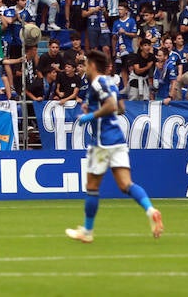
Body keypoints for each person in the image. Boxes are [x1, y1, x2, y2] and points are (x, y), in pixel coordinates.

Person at [65, 50, 163, 243]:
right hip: (118, 140)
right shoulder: (110, 83)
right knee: (126, 184)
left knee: (92, 187)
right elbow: (121, 108)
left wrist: (89, 116)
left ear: (92, 66)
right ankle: (151, 210)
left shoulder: (97, 82)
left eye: (86, 64)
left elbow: (110, 106)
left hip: (102, 142)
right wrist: (92, 108)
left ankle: (87, 231)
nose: (85, 67)